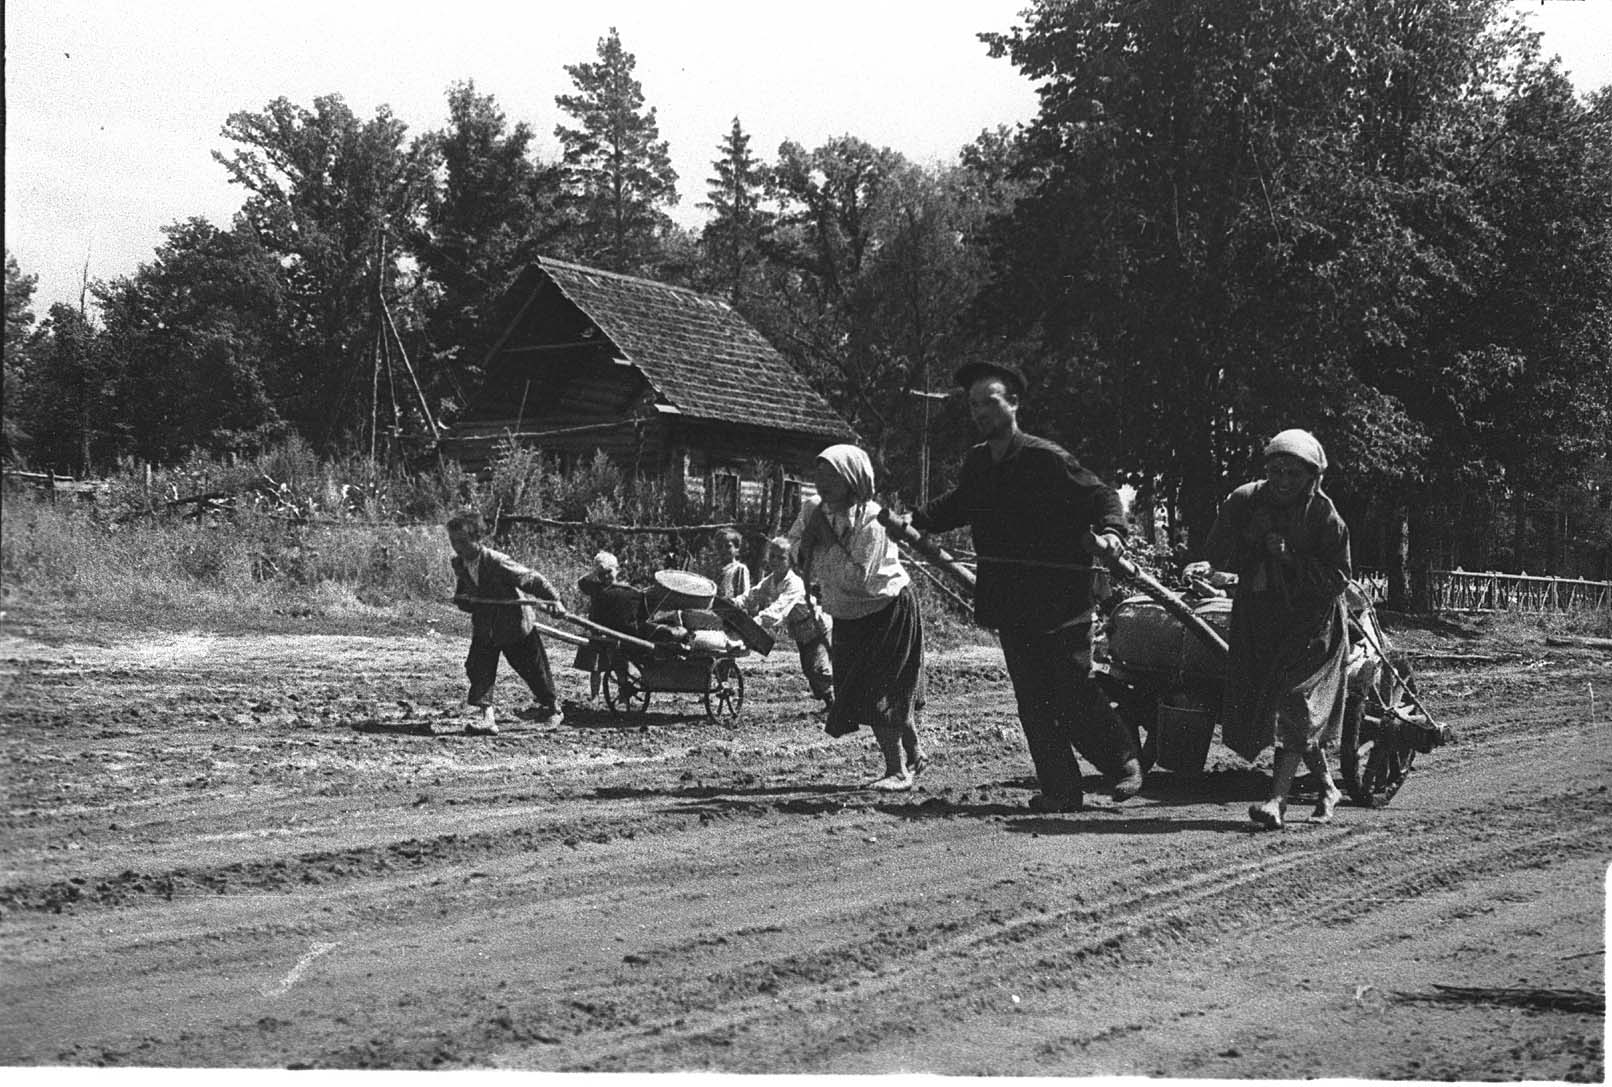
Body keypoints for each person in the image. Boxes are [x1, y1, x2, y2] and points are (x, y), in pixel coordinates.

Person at [895, 361, 1144, 813]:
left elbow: (1101, 495)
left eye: (989, 403)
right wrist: (915, 520)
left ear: (1013, 404)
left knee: (1072, 689)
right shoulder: (978, 463)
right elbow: (958, 504)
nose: (981, 413)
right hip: (1010, 602)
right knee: (1032, 700)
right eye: (974, 406)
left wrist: (1112, 532)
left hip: (1062, 598)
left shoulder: (1045, 458)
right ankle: (1061, 790)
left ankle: (1124, 760)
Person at [1187, 429, 1350, 829]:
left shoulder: (1325, 517)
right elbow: (1220, 550)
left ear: (1312, 477)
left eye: (1294, 473)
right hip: (1258, 619)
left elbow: (1339, 578)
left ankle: (1276, 801)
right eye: (1276, 470)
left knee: (1294, 699)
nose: (1283, 480)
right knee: (1279, 703)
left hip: (1312, 624)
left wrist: (1292, 558)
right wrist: (1207, 566)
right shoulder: (1244, 501)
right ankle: (1328, 787)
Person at [793, 445, 925, 791]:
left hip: (886, 611)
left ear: (852, 479)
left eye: (831, 476)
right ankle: (912, 749)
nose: (822, 484)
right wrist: (804, 547)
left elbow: (862, 579)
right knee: (864, 687)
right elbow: (797, 554)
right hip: (849, 615)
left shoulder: (873, 520)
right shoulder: (814, 511)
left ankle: (897, 771)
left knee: (883, 688)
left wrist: (826, 543)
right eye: (818, 475)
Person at [446, 511, 567, 736]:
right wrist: (463, 600)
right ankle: (487, 719)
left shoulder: (496, 561)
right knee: (478, 667)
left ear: (478, 538)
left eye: (462, 541)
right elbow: (465, 592)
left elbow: (531, 579)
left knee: (532, 669)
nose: (457, 546)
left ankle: (552, 709)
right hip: (485, 624)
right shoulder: (459, 563)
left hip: (514, 624)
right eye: (453, 541)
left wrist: (554, 599)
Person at [736, 536, 835, 711]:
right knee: (808, 670)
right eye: (772, 556)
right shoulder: (771, 580)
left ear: (790, 561)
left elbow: (778, 610)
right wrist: (735, 603)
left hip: (816, 627)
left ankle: (843, 696)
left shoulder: (794, 584)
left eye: (781, 557)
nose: (775, 561)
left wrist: (754, 622)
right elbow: (753, 594)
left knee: (817, 668)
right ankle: (831, 701)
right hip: (800, 630)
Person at [573, 550, 648, 701]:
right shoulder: (596, 588)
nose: (606, 577)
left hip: (617, 634)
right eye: (601, 574)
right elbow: (582, 583)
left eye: (609, 572)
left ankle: (623, 692)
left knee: (621, 664)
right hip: (598, 632)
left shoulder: (627, 591)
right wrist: (595, 572)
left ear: (617, 570)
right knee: (595, 668)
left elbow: (640, 615)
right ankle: (594, 696)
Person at [712, 527, 751, 600]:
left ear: (737, 548)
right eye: (720, 547)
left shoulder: (739, 569)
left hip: (731, 608)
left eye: (728, 546)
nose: (723, 550)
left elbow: (746, 594)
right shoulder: (718, 569)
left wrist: (734, 601)